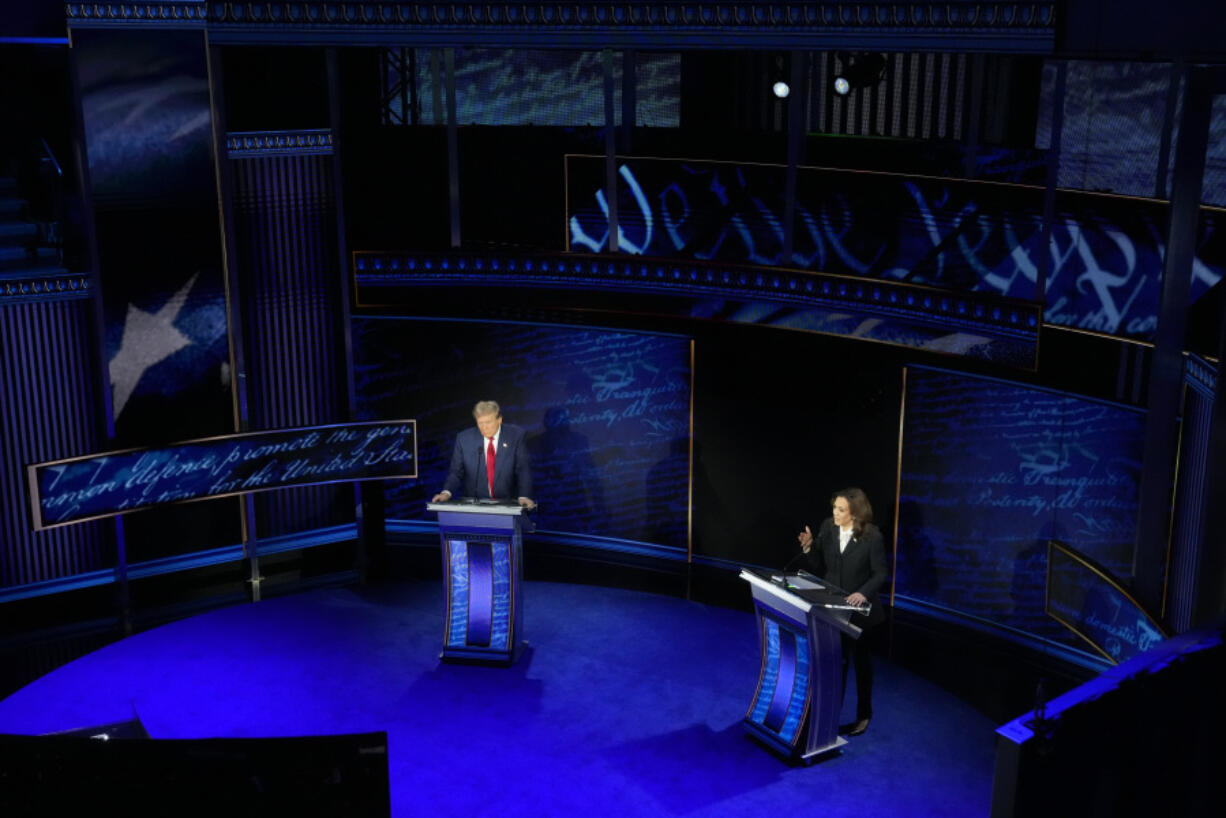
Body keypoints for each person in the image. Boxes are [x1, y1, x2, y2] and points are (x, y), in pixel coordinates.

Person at [797, 487, 887, 736]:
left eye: (841, 509)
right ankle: (829, 714)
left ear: (855, 513)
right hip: (834, 609)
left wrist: (862, 593)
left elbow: (880, 573)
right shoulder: (828, 526)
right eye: (834, 508)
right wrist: (808, 548)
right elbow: (818, 564)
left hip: (861, 613)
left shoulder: (872, 536)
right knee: (836, 662)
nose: (834, 513)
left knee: (861, 665)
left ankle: (864, 714)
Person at [432, 401, 535, 508]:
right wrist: (446, 493)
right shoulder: (464, 439)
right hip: (474, 505)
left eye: (488, 422)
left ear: (499, 420)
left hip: (507, 504)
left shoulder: (515, 436)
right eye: (480, 423)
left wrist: (524, 496)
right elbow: (456, 473)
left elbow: (523, 470)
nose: (484, 427)